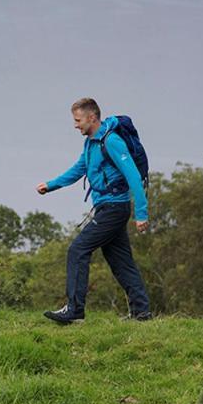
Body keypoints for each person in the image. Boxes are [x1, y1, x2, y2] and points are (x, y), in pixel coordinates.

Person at [36, 97, 152, 324]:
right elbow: (78, 169)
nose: (75, 125)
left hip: (115, 208)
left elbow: (134, 177)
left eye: (78, 120)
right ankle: (142, 312)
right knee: (121, 262)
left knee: (77, 250)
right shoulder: (90, 143)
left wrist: (142, 213)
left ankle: (74, 310)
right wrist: (50, 185)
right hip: (104, 208)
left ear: (92, 117)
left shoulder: (112, 141)